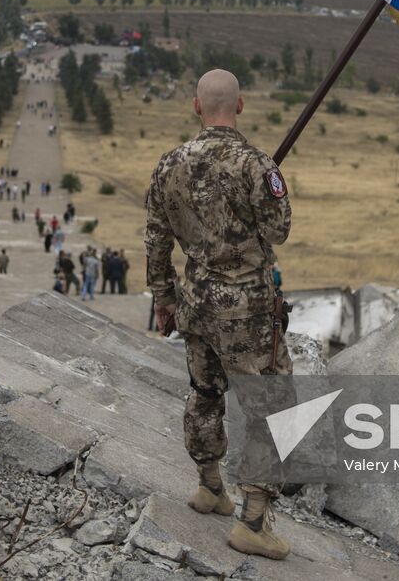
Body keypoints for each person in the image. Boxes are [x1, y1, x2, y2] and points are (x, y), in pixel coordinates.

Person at [146, 69, 293, 560]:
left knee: (205, 393)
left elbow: (156, 237)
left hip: (197, 300)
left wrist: (164, 299)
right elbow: (278, 231)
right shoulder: (255, 165)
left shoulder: (169, 165)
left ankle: (210, 487)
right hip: (247, 309)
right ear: (241, 106)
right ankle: (252, 520)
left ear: (196, 106)